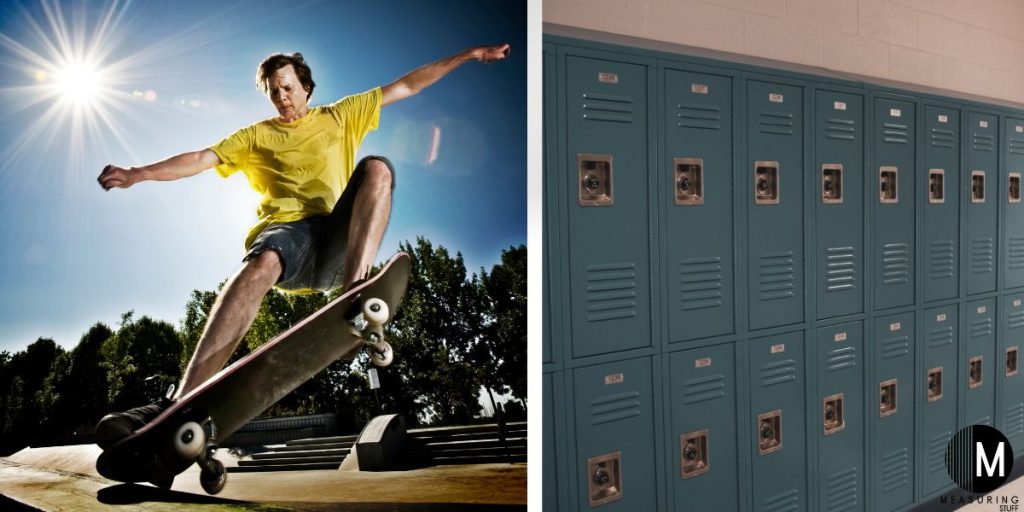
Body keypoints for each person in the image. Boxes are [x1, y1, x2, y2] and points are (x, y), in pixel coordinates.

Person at [94, 43, 511, 448]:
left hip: (334, 242)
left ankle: (353, 296)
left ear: (306, 87)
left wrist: (468, 55)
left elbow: (406, 85)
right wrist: (137, 173)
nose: (282, 97)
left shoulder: (342, 114)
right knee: (262, 262)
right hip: (285, 236)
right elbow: (201, 159)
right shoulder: (256, 136)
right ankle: (181, 400)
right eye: (273, 91)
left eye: (288, 87)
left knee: (378, 169)